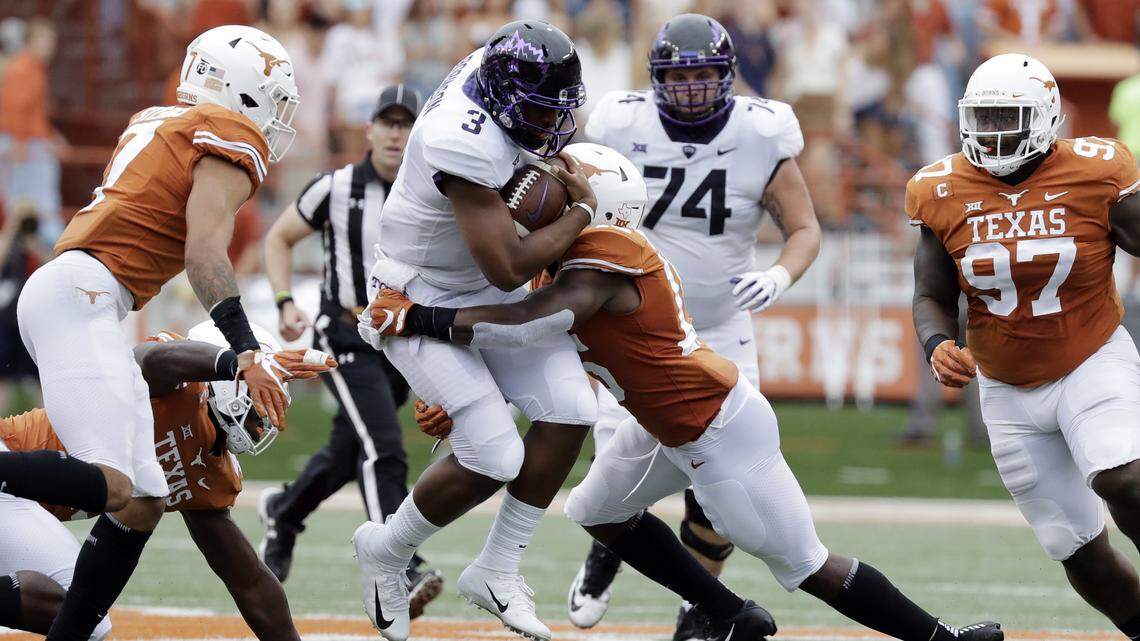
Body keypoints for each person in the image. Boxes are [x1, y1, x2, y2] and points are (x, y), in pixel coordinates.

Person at [365, 163, 1004, 641]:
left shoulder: (605, 260)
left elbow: (528, 323)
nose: (538, 204)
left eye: (564, 197)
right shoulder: (566, 261)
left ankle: (944, 640)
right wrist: (457, 391)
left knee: (805, 563)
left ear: (600, 209)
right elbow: (537, 351)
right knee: (595, 508)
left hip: (719, 429)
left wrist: (415, 318)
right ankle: (726, 616)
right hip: (662, 427)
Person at [0, 25, 297, 641]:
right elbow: (205, 253)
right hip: (82, 296)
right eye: (274, 96)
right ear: (244, 91)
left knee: (143, 502)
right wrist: (243, 349)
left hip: (81, 294)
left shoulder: (162, 121)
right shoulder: (230, 133)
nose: (276, 116)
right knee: (113, 486)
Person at [572, 14, 821, 639]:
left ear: (727, 75)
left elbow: (804, 228)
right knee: (617, 473)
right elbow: (572, 193)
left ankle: (700, 609)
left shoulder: (762, 132)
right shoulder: (619, 123)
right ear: (656, 79)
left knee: (722, 482)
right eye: (679, 76)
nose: (690, 88)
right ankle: (607, 549)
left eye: (704, 74)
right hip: (634, 328)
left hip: (720, 326)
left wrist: (780, 276)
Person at [349, 21, 600, 641]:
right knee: (494, 453)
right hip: (418, 290)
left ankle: (497, 568)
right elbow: (511, 264)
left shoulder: (493, 70)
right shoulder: (461, 140)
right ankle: (387, 549)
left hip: (480, 282)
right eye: (539, 111)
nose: (550, 124)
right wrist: (583, 212)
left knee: (571, 407)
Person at [911, 53, 1140, 640]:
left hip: (1091, 357)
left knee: (1125, 479)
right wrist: (937, 341)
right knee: (1081, 555)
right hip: (1006, 390)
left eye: (1005, 118)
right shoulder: (939, 188)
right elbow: (931, 292)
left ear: (1042, 118)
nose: (989, 133)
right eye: (980, 119)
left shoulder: (1097, 170)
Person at [0, 322, 336, 641]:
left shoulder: (209, 467)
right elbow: (151, 358)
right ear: (229, 383)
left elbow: (247, 580)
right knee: (83, 612)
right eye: (259, 396)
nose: (263, 420)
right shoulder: (170, 383)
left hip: (23, 505)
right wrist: (238, 362)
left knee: (83, 611)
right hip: (11, 470)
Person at [259, 84, 443, 616]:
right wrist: (282, 299)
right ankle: (400, 564)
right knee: (383, 445)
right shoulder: (336, 187)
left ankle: (284, 510)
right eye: (387, 122)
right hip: (345, 334)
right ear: (369, 129)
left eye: (406, 123)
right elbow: (278, 238)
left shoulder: (433, 189)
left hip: (402, 341)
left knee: (348, 450)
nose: (395, 133)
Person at [0, 19, 66, 245]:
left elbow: (31, 112)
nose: (51, 47)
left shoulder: (30, 68)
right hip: (26, 147)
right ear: (31, 42)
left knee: (26, 203)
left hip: (28, 143)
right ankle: (51, 250)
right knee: (32, 203)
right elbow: (17, 109)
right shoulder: (23, 69)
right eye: (46, 41)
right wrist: (20, 145)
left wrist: (51, 136)